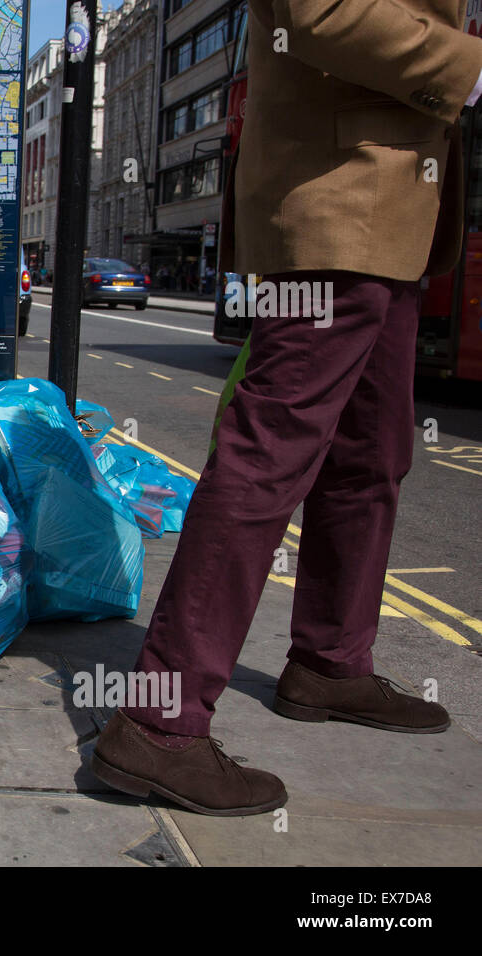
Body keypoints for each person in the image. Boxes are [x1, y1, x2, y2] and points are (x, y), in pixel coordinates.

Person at [89, 0, 481, 816]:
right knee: (267, 456)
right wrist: (467, 67)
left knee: (372, 456)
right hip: (337, 202)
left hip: (398, 215)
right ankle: (160, 724)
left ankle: (331, 664)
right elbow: (318, 10)